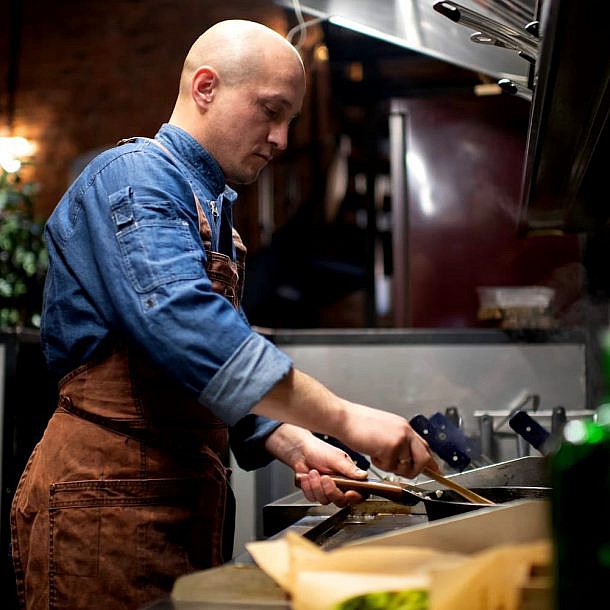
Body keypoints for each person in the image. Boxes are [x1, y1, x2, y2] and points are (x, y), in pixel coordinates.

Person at [10, 19, 438, 610]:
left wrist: (289, 440)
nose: (281, 138)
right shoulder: (135, 177)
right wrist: (345, 418)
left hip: (176, 494)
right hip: (106, 499)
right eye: (270, 111)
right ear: (205, 87)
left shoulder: (208, 205)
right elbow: (186, 327)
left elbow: (191, 377)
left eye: (290, 120)